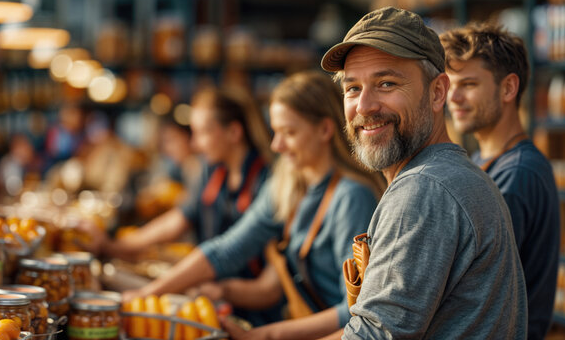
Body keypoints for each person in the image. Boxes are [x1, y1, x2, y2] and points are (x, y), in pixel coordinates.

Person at [126, 71, 383, 339]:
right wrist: (147, 294)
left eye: (289, 132)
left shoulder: (351, 197)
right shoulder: (286, 186)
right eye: (275, 132)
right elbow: (225, 250)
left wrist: (265, 335)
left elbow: (352, 311)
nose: (277, 145)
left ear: (325, 130)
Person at [320, 6, 528, 338]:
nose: (364, 106)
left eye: (386, 83)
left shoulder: (424, 188)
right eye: (353, 88)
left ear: (437, 92)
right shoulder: (449, 176)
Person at [441, 23, 560, 340]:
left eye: (468, 83)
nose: (453, 97)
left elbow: (467, 283)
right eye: (449, 84)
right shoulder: (482, 161)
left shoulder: (518, 173)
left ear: (508, 88)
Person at [82, 88, 272, 260]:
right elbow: (177, 221)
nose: (194, 144)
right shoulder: (212, 170)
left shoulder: (264, 179)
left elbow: (230, 249)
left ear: (233, 132)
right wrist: (113, 246)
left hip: (239, 290)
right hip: (212, 281)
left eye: (202, 133)